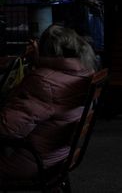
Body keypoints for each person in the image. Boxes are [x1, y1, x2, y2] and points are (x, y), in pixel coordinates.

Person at [0, 24, 97, 183]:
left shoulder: (44, 81)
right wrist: (38, 62)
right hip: (58, 157)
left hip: (31, 161)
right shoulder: (85, 72)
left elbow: (7, 129)